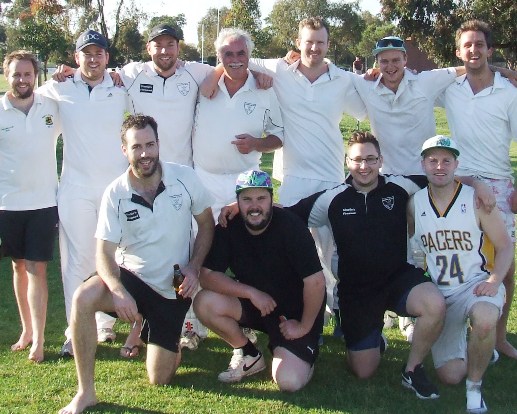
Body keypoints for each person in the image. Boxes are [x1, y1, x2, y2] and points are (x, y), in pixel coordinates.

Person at [58, 114, 215, 414]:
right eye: (137, 147)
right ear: (124, 150)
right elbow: (103, 253)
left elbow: (206, 225)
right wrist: (117, 290)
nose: (145, 154)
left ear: (158, 145)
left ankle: (157, 335)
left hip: (172, 292)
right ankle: (85, 392)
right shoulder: (115, 193)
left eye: (150, 145)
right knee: (83, 297)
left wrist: (194, 266)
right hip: (132, 278)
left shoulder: (185, 178)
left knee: (160, 378)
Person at [282, 132, 446, 398]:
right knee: (363, 370)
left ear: (381, 160)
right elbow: (288, 215)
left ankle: (413, 370)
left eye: (371, 159)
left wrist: (478, 186)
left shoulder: (402, 186)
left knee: (435, 304)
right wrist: (245, 206)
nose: (364, 166)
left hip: (398, 278)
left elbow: (443, 180)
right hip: (357, 291)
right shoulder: (333, 198)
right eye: (357, 160)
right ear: (347, 161)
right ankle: (373, 338)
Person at [38, 29, 131, 356]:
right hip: (75, 187)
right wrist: (54, 74)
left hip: (115, 187)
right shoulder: (59, 87)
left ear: (107, 57)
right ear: (76, 57)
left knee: (116, 257)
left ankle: (105, 324)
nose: (93, 59)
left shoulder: (121, 86)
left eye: (99, 53)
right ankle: (74, 331)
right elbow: (26, 98)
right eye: (86, 53)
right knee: (77, 262)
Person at [408, 135, 513, 413]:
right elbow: (411, 250)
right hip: (441, 295)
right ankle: (481, 348)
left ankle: (475, 389)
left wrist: (494, 280)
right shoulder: (415, 204)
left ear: (456, 164)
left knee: (486, 318)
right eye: (432, 160)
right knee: (450, 375)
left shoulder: (477, 200)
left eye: (446, 160)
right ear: (423, 164)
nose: (439, 166)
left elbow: (504, 246)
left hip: (477, 284)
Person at [195, 170, 325, 391]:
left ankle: (300, 351)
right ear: (237, 201)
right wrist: (251, 293)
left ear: (271, 200)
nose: (254, 206)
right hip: (256, 305)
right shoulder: (229, 227)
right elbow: (207, 276)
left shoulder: (291, 227)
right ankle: (248, 352)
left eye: (261, 198)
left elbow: (316, 283)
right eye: (246, 199)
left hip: (292, 314)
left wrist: (303, 326)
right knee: (204, 302)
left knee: (288, 381)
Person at [439, 20, 517, 359]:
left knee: (505, 265)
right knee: (459, 259)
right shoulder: (449, 88)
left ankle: (498, 337)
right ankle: (452, 329)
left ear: (489, 49)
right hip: (458, 183)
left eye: (480, 45)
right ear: (459, 52)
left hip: (498, 184)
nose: (474, 50)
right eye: (467, 45)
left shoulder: (509, 93)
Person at [0, 50, 61, 362]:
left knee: (38, 269)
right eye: (16, 74)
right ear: (7, 75)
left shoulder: (50, 105)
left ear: (35, 76)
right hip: (8, 206)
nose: (22, 80)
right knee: (18, 266)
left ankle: (39, 339)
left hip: (43, 203)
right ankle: (25, 330)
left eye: (27, 74)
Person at [192, 27, 283, 218]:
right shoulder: (203, 82)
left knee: (247, 241)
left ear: (249, 55)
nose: (235, 59)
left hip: (246, 181)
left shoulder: (265, 91)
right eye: (228, 54)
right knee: (203, 240)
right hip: (204, 179)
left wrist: (256, 144)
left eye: (241, 53)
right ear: (219, 56)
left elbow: (279, 136)